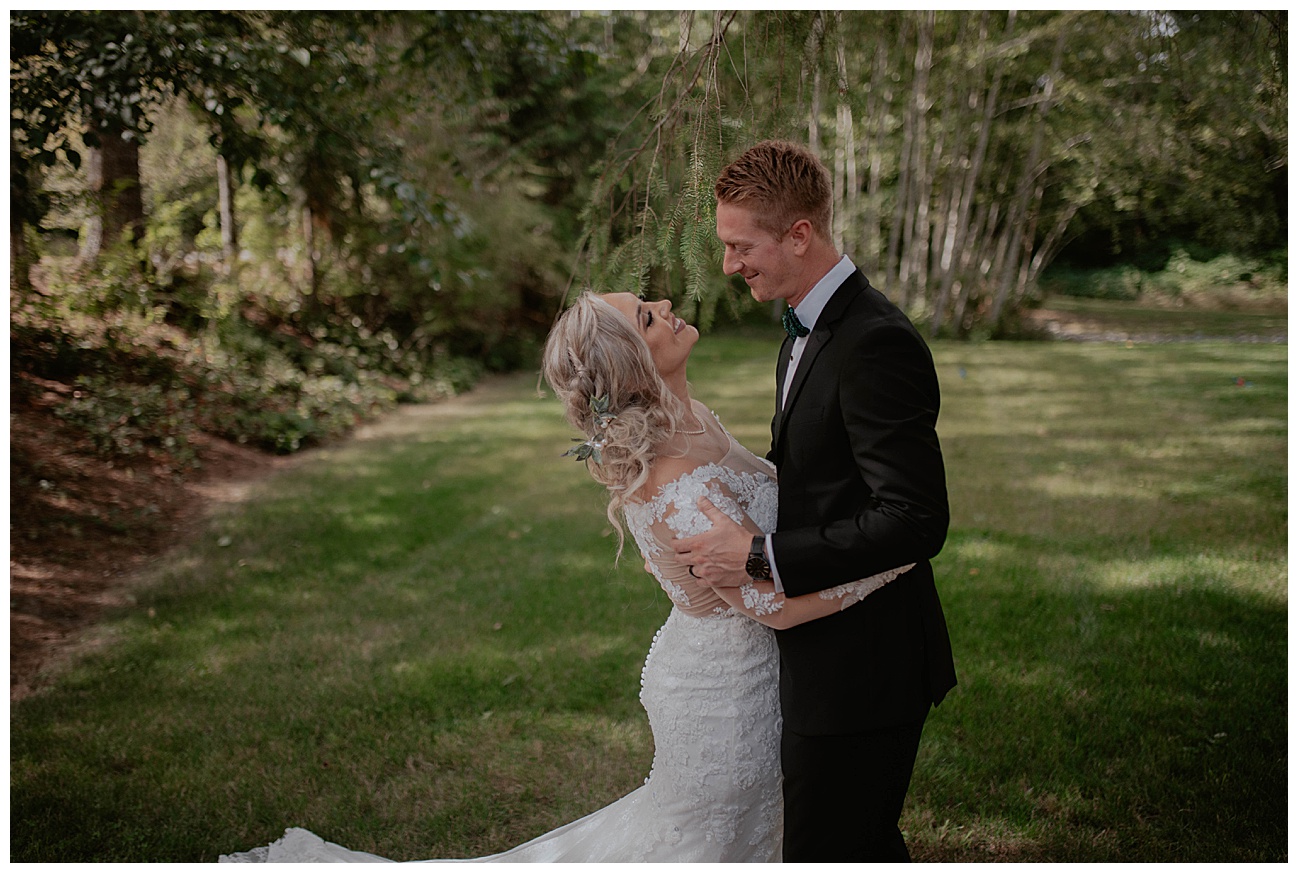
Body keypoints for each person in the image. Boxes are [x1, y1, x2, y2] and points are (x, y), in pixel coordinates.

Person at [220, 290, 913, 863]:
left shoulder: (694, 419)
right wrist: (891, 559)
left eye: (647, 303)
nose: (666, 304)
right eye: (647, 316)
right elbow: (777, 609)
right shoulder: (671, 484)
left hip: (751, 670)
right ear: (636, 365)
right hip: (729, 693)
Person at [673, 139, 957, 862]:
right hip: (825, 654)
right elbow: (819, 475)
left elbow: (915, 517)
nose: (731, 264)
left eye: (743, 247)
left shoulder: (874, 342)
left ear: (800, 234)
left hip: (865, 664)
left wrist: (759, 555)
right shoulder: (801, 325)